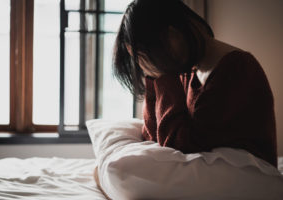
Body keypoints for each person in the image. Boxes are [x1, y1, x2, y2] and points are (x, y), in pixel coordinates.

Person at [113, 0, 277, 167]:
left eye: (144, 58)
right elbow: (152, 135)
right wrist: (154, 79)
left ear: (172, 37)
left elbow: (180, 148)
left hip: (247, 180)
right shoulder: (188, 72)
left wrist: (164, 76)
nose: (145, 68)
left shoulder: (237, 69)